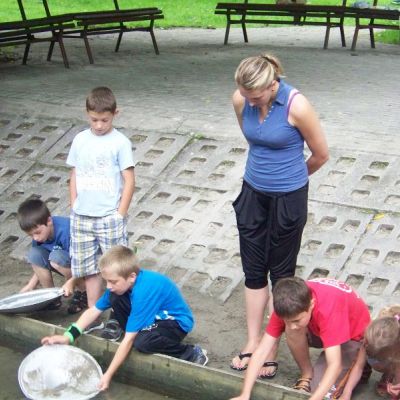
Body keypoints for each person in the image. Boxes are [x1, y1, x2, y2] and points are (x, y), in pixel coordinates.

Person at [230, 53, 329, 377]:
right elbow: (254, 139)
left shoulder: (297, 105)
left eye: (255, 96)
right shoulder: (241, 99)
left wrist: (290, 178)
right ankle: (253, 339)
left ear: (272, 85)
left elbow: (320, 154)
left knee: (281, 273)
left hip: (288, 198)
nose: (249, 102)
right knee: (253, 269)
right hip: (252, 194)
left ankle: (270, 346)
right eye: (245, 95)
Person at [42, 245, 208, 391]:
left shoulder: (144, 291)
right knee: (115, 297)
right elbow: (93, 311)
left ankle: (192, 353)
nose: (108, 286)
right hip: (152, 316)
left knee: (142, 342)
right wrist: (68, 336)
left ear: (132, 277)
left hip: (175, 322)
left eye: (113, 282)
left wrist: (108, 375)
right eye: (106, 281)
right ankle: (139, 329)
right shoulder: (121, 285)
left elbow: (128, 341)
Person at [230, 277, 371, 400]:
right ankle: (307, 374)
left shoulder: (327, 311)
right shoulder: (287, 305)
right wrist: (245, 394)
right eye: (287, 321)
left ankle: (361, 364)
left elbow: (335, 365)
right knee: (293, 330)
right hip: (321, 327)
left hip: (352, 337)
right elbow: (261, 351)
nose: (292, 325)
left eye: (296, 320)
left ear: (311, 305)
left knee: (320, 390)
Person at [66, 86, 135, 334]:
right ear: (87, 114)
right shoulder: (80, 140)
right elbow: (74, 173)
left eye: (104, 120)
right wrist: (74, 204)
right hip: (82, 216)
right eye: (94, 119)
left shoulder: (120, 142)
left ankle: (118, 316)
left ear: (115, 114)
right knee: (89, 269)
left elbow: (129, 180)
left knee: (118, 268)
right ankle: (93, 315)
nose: (99, 125)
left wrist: (120, 214)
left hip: (108, 216)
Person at [17, 199, 72, 308]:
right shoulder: (39, 237)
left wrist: (71, 282)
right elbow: (39, 262)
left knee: (56, 257)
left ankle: (82, 291)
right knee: (34, 254)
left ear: (49, 221)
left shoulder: (67, 229)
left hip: (81, 268)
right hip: (61, 263)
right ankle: (51, 297)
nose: (35, 238)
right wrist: (31, 285)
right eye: (31, 235)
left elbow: (81, 262)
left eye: (37, 233)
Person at [339, 305, 400, 400]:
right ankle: (368, 370)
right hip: (380, 359)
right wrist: (347, 392)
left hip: (392, 363)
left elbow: (398, 377)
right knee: (362, 359)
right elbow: (358, 366)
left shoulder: (397, 354)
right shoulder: (368, 340)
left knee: (394, 369)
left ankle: (387, 376)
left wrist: (396, 391)